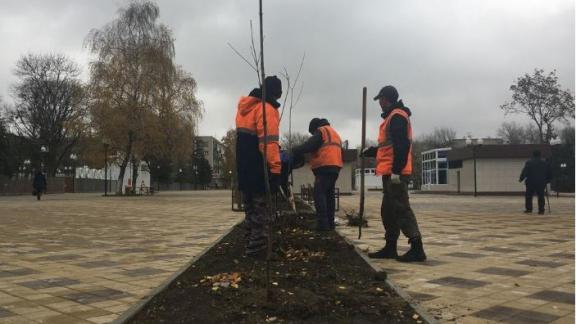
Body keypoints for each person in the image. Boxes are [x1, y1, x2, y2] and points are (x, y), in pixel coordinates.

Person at [361, 85, 426, 262]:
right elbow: (388, 146)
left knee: (401, 208)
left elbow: (401, 145)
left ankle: (417, 247)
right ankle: (391, 247)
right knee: (388, 211)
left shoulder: (397, 116)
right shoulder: (392, 116)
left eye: (380, 99)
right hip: (390, 171)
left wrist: (397, 171)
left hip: (396, 172)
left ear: (386, 98)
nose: (379, 103)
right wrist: (371, 151)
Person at [235, 76, 282, 257]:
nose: (281, 94)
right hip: (260, 168)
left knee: (251, 212)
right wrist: (275, 169)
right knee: (262, 213)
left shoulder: (244, 109)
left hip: (244, 168)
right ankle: (259, 250)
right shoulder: (267, 109)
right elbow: (269, 143)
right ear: (273, 91)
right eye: (279, 90)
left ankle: (250, 245)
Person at [293, 118, 343, 231]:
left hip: (324, 166)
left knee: (319, 194)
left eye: (312, 132)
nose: (312, 134)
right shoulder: (334, 132)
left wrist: (294, 150)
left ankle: (323, 226)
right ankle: (330, 225)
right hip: (335, 167)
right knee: (329, 196)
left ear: (314, 128)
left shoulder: (321, 131)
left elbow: (309, 145)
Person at [519, 150, 552, 214]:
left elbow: (525, 171)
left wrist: (521, 178)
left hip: (530, 182)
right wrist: (547, 180)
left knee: (529, 196)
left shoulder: (529, 162)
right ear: (540, 155)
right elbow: (549, 173)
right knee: (541, 196)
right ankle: (541, 210)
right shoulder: (545, 163)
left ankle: (529, 209)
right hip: (541, 182)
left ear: (533, 155)